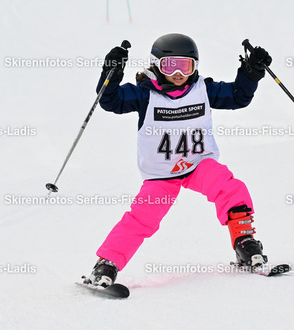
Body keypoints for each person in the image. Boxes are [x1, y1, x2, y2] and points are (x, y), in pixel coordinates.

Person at [83, 34, 273, 287]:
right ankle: (107, 264)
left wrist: (251, 73)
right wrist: (112, 72)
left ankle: (245, 243)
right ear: (156, 65)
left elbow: (238, 96)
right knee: (142, 216)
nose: (178, 73)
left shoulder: (203, 89)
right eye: (170, 66)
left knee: (230, 188)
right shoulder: (144, 94)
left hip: (198, 164)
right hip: (161, 173)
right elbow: (110, 101)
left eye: (186, 66)